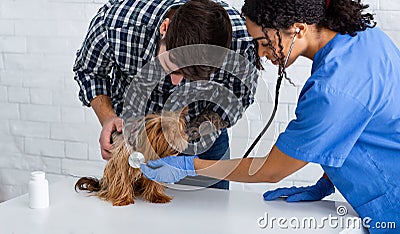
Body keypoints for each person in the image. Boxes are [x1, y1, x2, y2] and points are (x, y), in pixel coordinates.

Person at [140, 0, 400, 232]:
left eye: (264, 42)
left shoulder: (332, 90)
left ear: (297, 28)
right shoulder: (363, 37)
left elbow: (272, 170)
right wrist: (326, 180)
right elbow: (361, 126)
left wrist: (192, 166)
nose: (261, 54)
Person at [73, 0, 258, 190]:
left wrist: (188, 134)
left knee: (211, 213)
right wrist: (107, 118)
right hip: (136, 140)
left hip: (204, 142)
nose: (176, 82)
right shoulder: (116, 25)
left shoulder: (241, 40)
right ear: (164, 27)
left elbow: (238, 96)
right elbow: (90, 71)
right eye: (173, 67)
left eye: (191, 76)